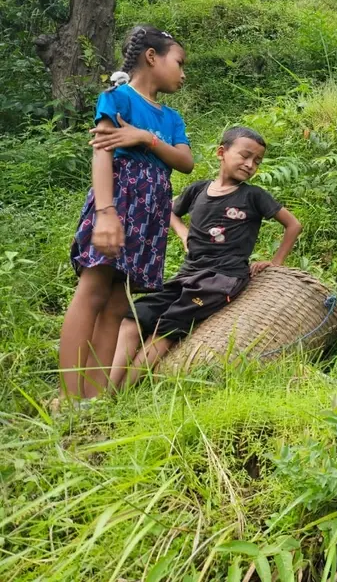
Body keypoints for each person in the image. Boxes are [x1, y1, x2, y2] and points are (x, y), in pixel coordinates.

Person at [109, 126, 303, 390]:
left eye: (257, 161)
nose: (250, 164)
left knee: (165, 328)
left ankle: (116, 395)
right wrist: (182, 232)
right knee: (134, 317)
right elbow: (168, 211)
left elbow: (293, 225)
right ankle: (105, 390)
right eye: (245, 156)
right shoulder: (197, 190)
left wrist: (276, 262)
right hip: (187, 276)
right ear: (221, 152)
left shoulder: (253, 195)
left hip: (221, 279)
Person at [60, 25, 194, 400]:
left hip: (150, 215)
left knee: (119, 304)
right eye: (179, 63)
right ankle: (70, 398)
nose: (183, 74)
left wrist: (144, 138)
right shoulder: (117, 99)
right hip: (119, 204)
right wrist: (105, 213)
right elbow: (102, 153)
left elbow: (185, 161)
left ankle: (95, 398)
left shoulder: (171, 119)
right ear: (152, 57)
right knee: (94, 289)